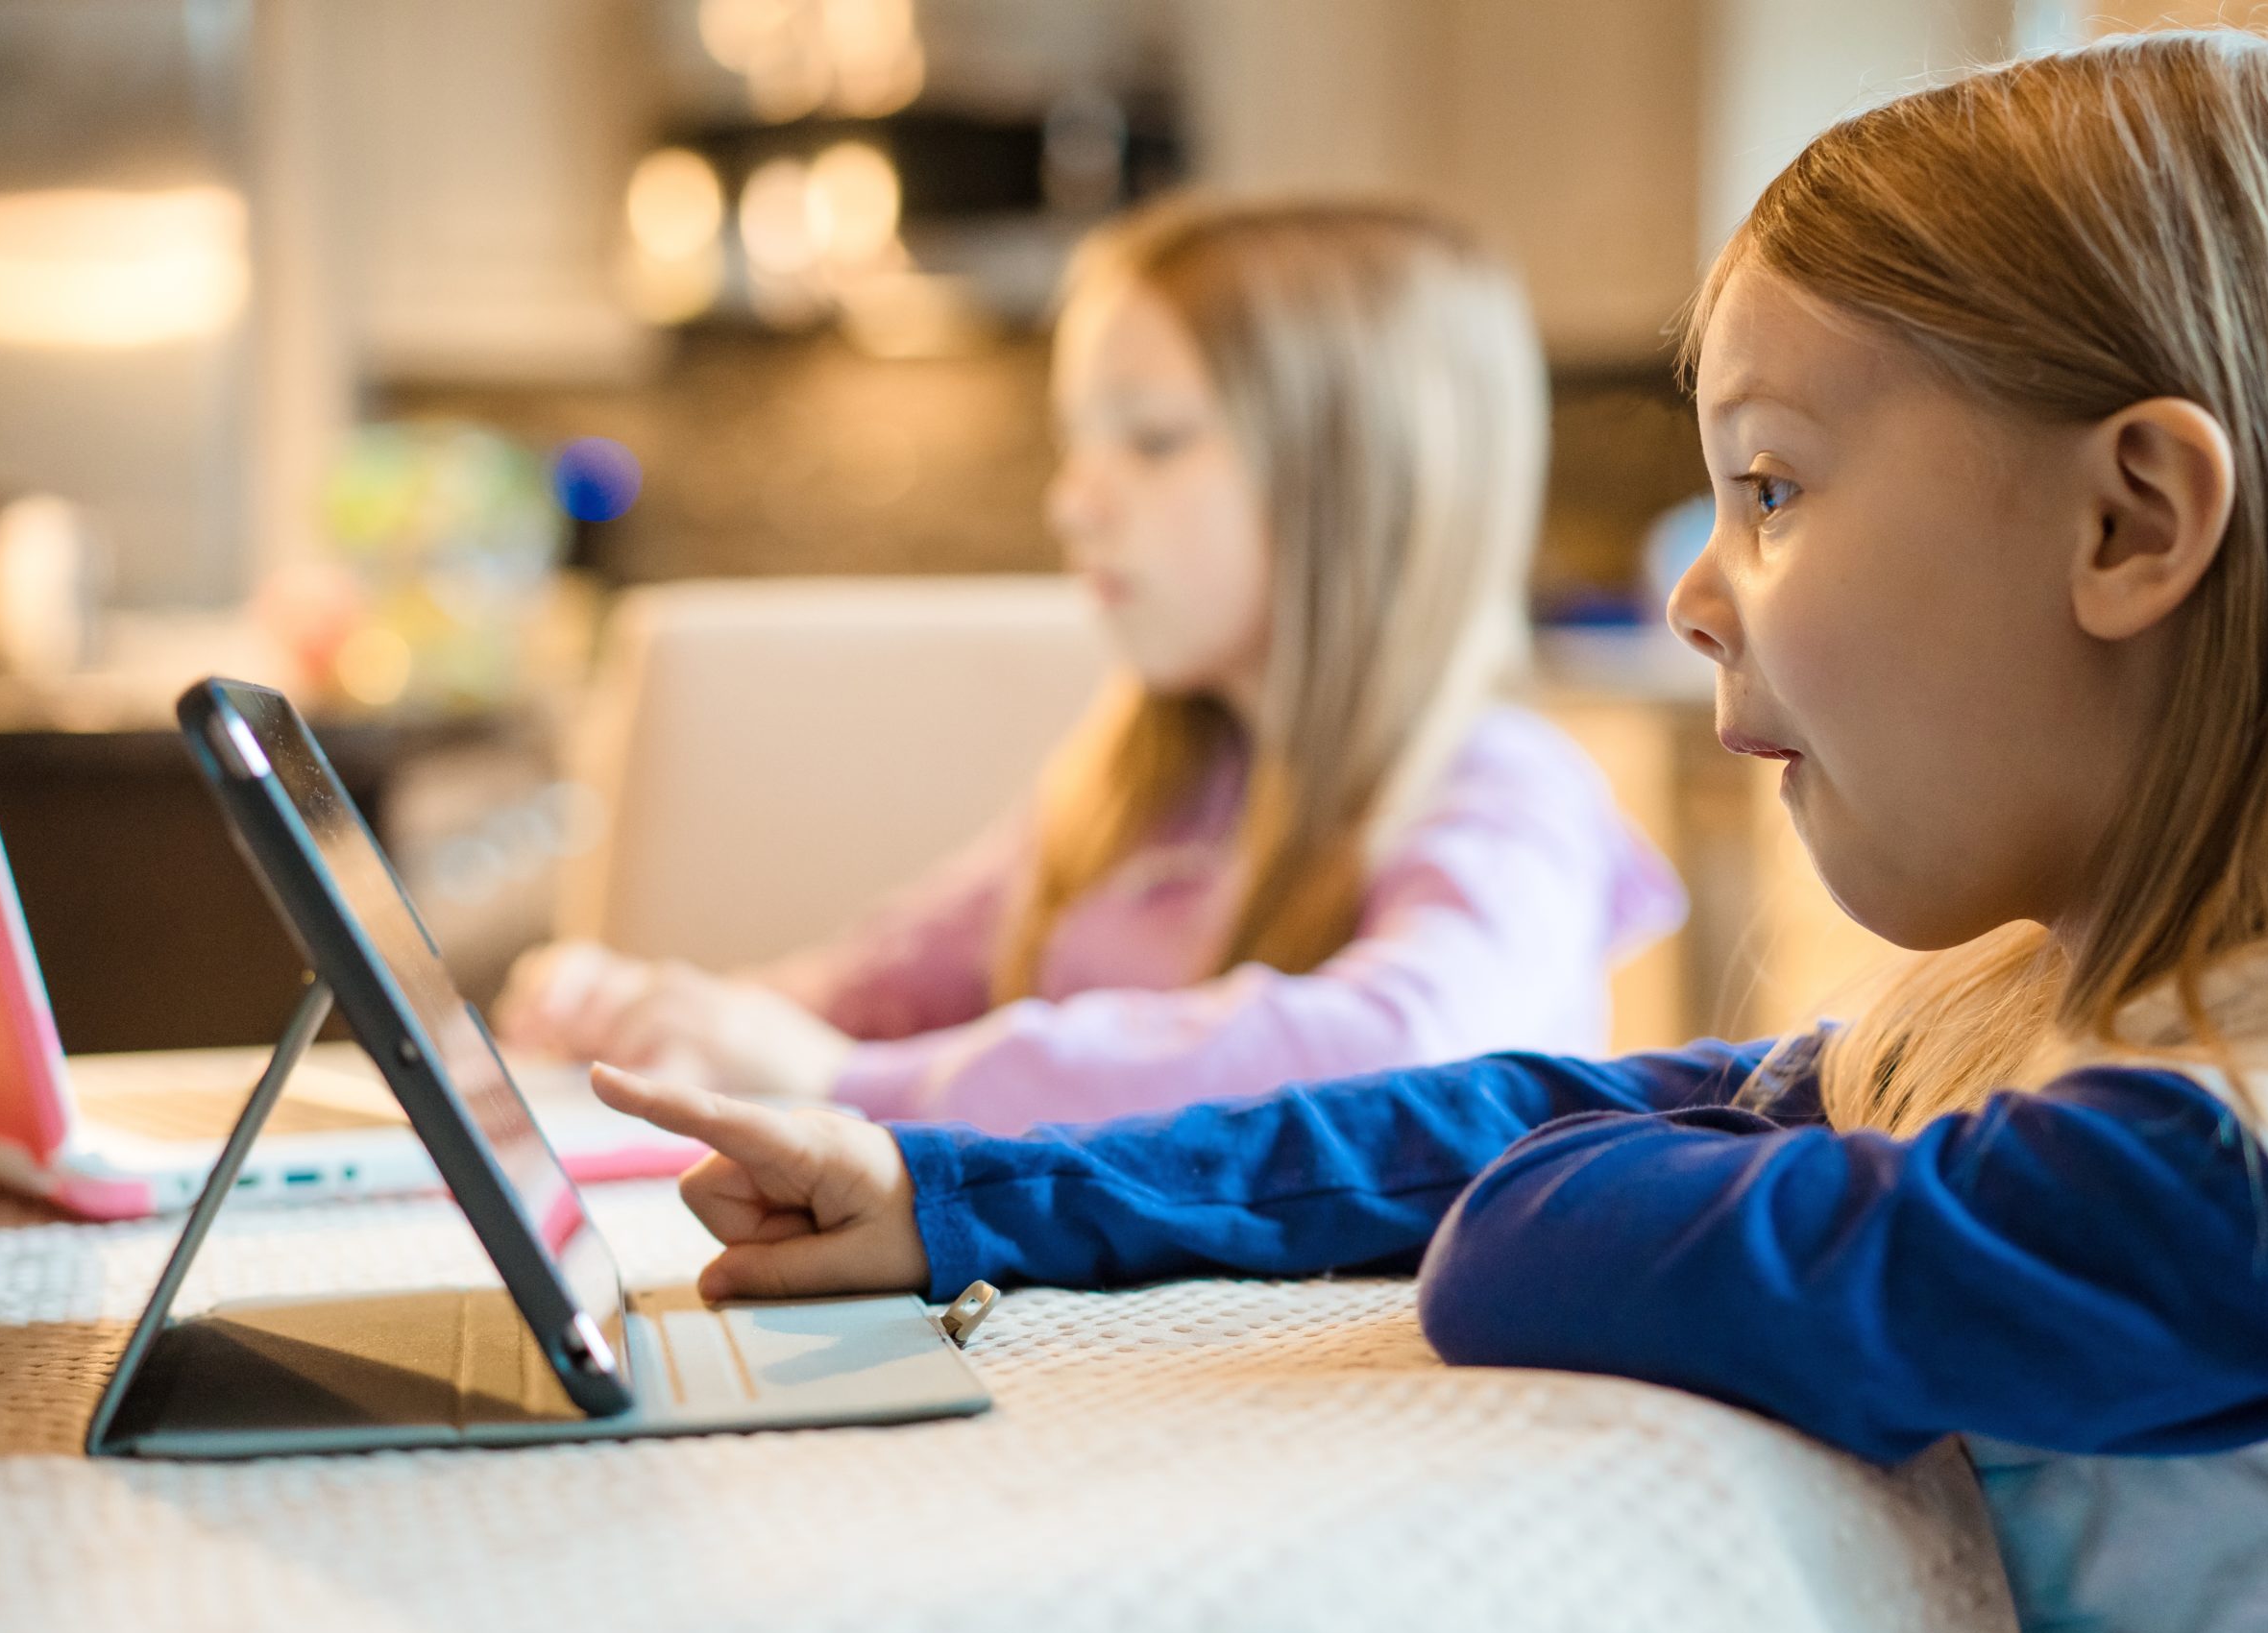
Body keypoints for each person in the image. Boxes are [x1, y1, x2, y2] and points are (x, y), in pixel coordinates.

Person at [584, 32, 2268, 1633]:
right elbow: (1518, 1114)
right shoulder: (2057, 1034)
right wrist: (964, 1195)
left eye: (1777, 489)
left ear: (2130, 522)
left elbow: (1540, 1217)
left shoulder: (2259, 1175)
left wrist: (1585, 1160)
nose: (1694, 590)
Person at [500, 198, 1683, 1132]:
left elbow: (1402, 1050)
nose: (1074, 503)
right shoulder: (1149, 776)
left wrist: (863, 1082)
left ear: (1357, 483)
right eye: (1077, 443)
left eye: (1153, 440)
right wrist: (671, 1020)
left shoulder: (1507, 788)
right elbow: (891, 977)